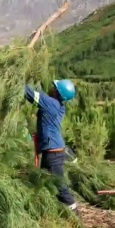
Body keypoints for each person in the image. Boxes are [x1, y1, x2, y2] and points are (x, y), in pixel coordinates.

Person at [25, 79, 77, 210]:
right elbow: (40, 94)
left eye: (55, 87)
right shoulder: (57, 104)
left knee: (60, 186)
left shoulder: (51, 103)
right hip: (54, 150)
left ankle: (75, 216)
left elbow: (30, 94)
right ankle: (48, 208)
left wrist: (15, 79)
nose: (52, 87)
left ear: (58, 93)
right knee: (45, 181)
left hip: (53, 152)